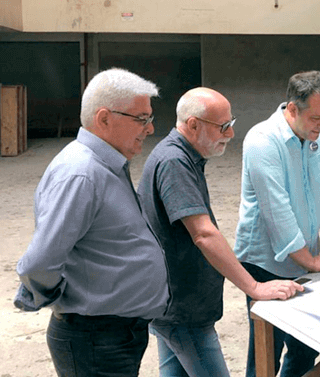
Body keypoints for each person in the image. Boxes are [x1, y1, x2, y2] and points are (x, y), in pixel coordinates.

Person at [15, 68, 169, 377]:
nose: (150, 128)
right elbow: (39, 263)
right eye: (141, 119)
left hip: (112, 336)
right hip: (95, 339)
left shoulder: (106, 164)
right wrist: (71, 298)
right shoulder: (81, 174)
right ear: (104, 119)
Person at [138, 87, 302, 377]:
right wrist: (254, 287)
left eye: (231, 124)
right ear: (193, 125)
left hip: (173, 305)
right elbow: (203, 234)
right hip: (182, 311)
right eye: (223, 127)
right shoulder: (174, 162)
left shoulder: (183, 157)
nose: (230, 134)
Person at [235, 70, 320, 377]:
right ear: (293, 109)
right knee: (265, 351)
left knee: (305, 346)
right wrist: (312, 262)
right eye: (316, 118)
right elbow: (277, 212)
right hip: (264, 262)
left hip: (306, 258)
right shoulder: (262, 141)